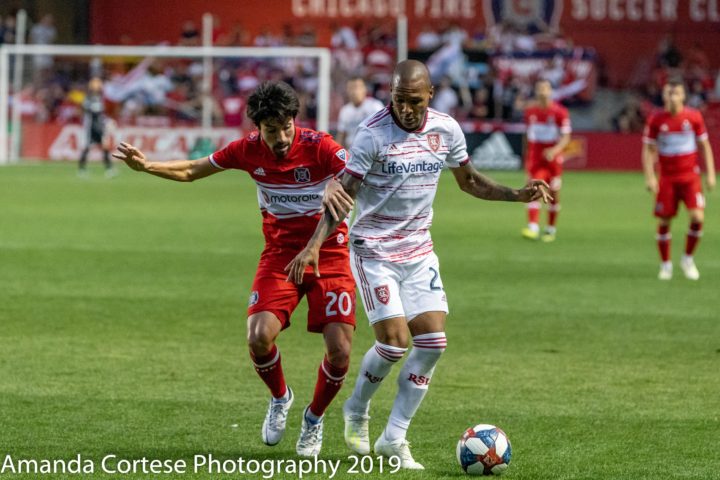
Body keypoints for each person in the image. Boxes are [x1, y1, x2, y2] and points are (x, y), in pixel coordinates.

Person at [285, 60, 551, 469]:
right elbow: (345, 195)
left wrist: (517, 195)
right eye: (398, 100)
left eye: (414, 101)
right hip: (374, 250)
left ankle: (394, 437)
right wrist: (314, 245)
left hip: (419, 250)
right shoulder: (372, 133)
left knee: (433, 344)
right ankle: (356, 408)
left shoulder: (446, 129)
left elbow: (469, 181)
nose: (406, 109)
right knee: (394, 343)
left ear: (430, 94)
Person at [112, 81, 357, 456]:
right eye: (271, 130)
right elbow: (192, 170)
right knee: (258, 337)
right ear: (258, 128)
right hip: (279, 254)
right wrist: (147, 166)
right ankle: (281, 397)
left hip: (330, 252)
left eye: (286, 127)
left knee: (340, 351)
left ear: (294, 120)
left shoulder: (320, 146)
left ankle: (314, 419)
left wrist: (336, 185)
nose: (281, 138)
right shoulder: (246, 150)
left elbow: (359, 175)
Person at [642, 79, 715, 280]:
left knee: (697, 217)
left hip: (690, 177)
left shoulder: (693, 117)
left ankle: (687, 259)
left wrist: (710, 174)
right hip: (667, 178)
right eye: (669, 93)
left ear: (683, 96)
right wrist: (650, 176)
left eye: (676, 93)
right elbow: (648, 149)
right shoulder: (656, 119)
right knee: (664, 220)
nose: (672, 97)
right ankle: (665, 265)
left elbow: (705, 146)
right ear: (664, 96)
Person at [521, 79, 571, 242]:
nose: (542, 92)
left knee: (553, 192)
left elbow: (566, 137)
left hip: (553, 160)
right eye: (539, 89)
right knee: (533, 189)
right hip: (535, 158)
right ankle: (533, 227)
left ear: (550, 91)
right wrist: (526, 157)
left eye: (545, 89)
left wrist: (554, 150)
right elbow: (527, 136)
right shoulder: (530, 112)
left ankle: (550, 229)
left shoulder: (560, 112)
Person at [78, 77, 115, 177]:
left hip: (100, 127)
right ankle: (81, 169)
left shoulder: (101, 98)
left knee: (105, 146)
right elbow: (87, 111)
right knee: (86, 147)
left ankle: (109, 169)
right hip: (90, 127)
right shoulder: (88, 98)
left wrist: (107, 122)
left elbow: (103, 114)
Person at [336, 77, 384, 149]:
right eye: (351, 88)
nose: (354, 91)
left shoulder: (375, 106)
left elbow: (384, 131)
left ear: (364, 89)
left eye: (357, 87)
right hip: (352, 151)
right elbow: (341, 135)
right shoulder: (345, 110)